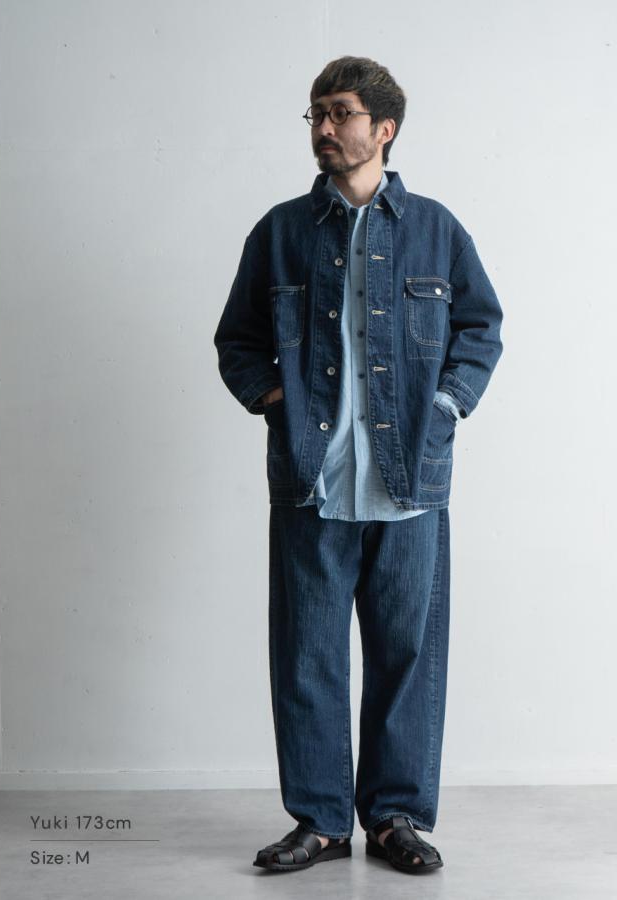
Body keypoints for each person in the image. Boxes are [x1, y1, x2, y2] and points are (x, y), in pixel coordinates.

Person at [214, 56, 503, 875]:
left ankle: (394, 816)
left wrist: (445, 406)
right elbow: (238, 340)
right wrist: (278, 403)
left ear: (384, 128)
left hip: (410, 485)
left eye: (340, 113)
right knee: (308, 657)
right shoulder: (280, 233)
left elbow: (481, 327)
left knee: (408, 656)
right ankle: (319, 820)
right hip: (313, 481)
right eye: (315, 114)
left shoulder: (437, 230)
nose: (324, 129)